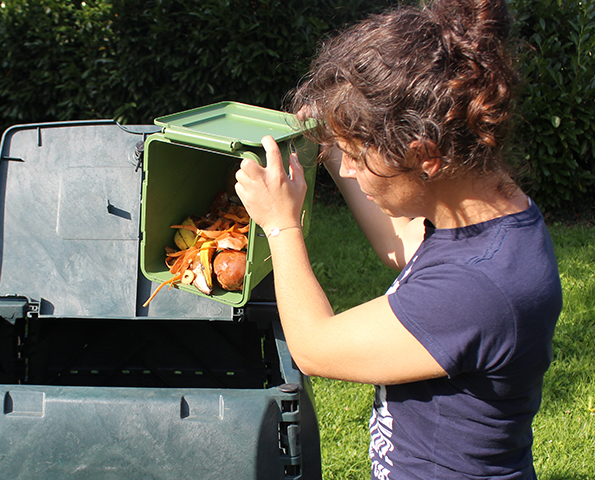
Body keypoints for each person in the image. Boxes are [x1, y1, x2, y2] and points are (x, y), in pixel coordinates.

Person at [233, 0, 562, 478]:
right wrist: (331, 150)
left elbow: (313, 346)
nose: (348, 169)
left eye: (357, 155)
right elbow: (403, 249)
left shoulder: (479, 288)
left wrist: (280, 225)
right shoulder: (488, 213)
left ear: (425, 156)